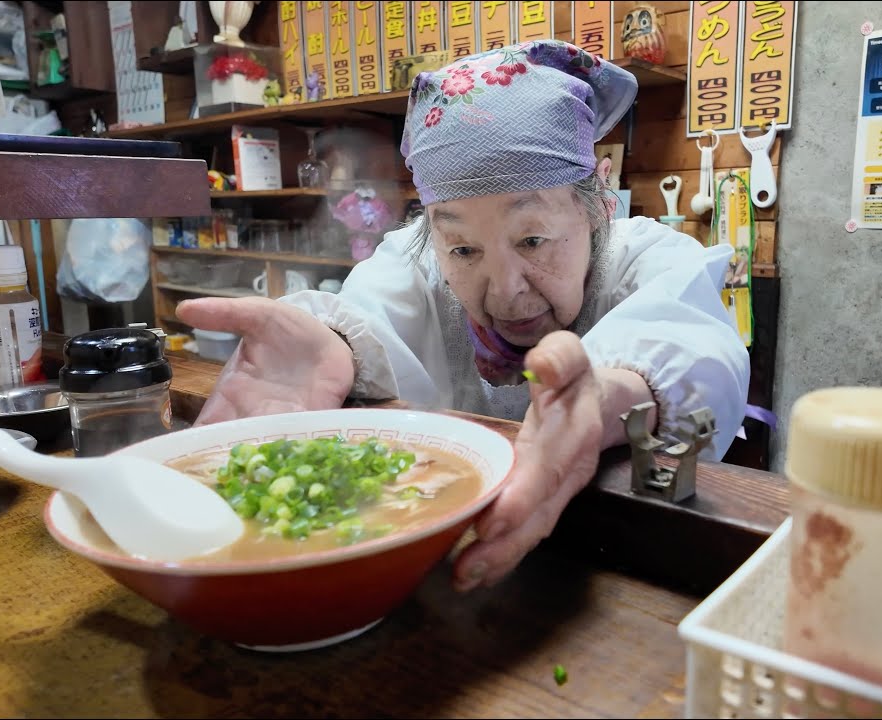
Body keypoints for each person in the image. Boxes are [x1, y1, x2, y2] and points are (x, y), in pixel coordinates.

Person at [177, 40, 750, 593]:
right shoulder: (412, 265)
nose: (505, 293)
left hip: (621, 567)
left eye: (532, 239)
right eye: (463, 250)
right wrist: (334, 342)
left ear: (598, 203)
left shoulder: (643, 257)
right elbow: (365, 317)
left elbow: (694, 339)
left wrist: (610, 395)